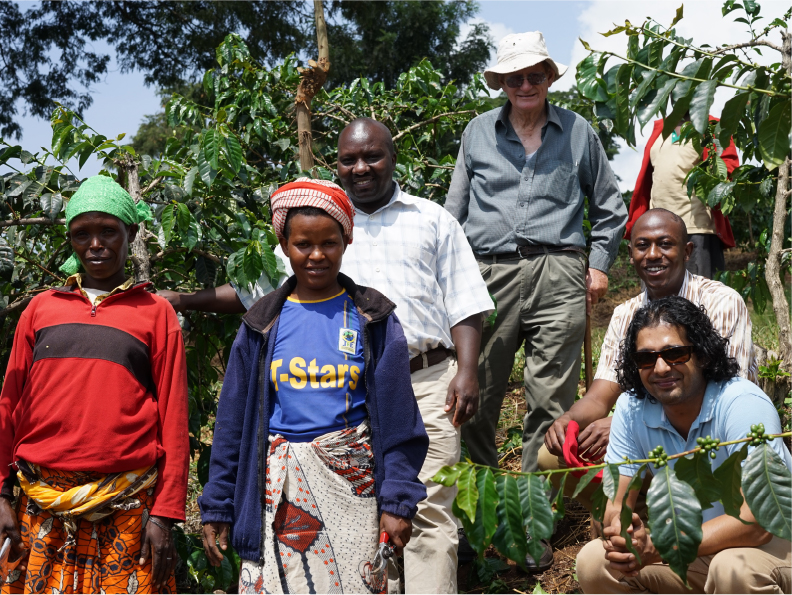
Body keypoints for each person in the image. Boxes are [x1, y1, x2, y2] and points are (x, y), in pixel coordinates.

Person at [164, 119, 493, 593]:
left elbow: (465, 300)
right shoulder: (308, 235)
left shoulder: (429, 221)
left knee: (420, 518)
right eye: (348, 159)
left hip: (421, 381)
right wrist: (184, 299)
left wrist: (466, 370)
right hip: (319, 427)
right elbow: (248, 297)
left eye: (372, 156)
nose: (361, 167)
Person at [445, 30, 627, 569]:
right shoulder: (477, 133)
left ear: (548, 78)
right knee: (476, 399)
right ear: (501, 82)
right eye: (514, 77)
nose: (525, 84)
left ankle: (530, 527)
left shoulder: (578, 133)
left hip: (557, 272)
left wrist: (596, 266)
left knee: (550, 405)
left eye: (534, 75)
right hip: (489, 273)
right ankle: (478, 526)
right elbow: (453, 214)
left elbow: (611, 207)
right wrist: (447, 280)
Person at [197, 179, 429, 594]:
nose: (317, 255)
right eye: (304, 244)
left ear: (347, 240)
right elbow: (232, 424)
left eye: (329, 243)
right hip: (277, 490)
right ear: (284, 244)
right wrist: (218, 503)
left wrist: (397, 501)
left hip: (354, 493)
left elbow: (399, 422)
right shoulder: (261, 323)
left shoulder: (371, 317)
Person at [0, 175, 189, 594]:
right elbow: (9, 405)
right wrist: (0, 493)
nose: (95, 244)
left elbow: (174, 418)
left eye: (108, 231)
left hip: (125, 502)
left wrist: (164, 514)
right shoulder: (40, 309)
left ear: (132, 233)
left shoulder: (155, 314)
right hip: (41, 498)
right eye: (81, 234)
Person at [541, 208, 757, 511]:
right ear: (631, 254)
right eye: (643, 246)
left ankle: (689, 520)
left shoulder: (721, 302)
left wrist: (623, 423)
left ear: (687, 251)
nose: (653, 254)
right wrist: (570, 420)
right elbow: (601, 392)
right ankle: (635, 523)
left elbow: (724, 392)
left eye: (665, 244)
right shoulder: (625, 315)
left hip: (710, 435)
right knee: (552, 456)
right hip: (648, 437)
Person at [575, 295, 791, 593]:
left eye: (675, 353)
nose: (661, 368)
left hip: (771, 546)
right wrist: (623, 530)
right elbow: (617, 501)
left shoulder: (741, 405)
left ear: (702, 354)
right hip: (697, 550)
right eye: (646, 358)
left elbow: (758, 522)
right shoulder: (631, 408)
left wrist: (663, 546)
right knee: (595, 561)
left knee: (732, 569)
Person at [626, 115, 738, 279]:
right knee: (656, 299)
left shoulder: (713, 127)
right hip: (656, 232)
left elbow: (727, 171)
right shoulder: (660, 129)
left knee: (698, 298)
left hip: (696, 230)